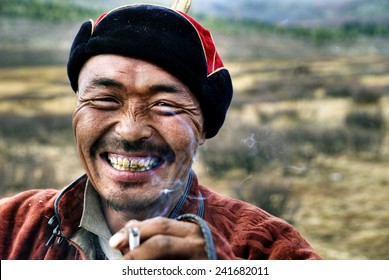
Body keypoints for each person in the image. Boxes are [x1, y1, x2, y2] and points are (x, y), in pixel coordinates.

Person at [0, 2, 322, 260]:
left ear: (203, 128)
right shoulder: (13, 228)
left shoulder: (266, 252)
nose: (130, 130)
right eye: (104, 99)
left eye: (165, 105)